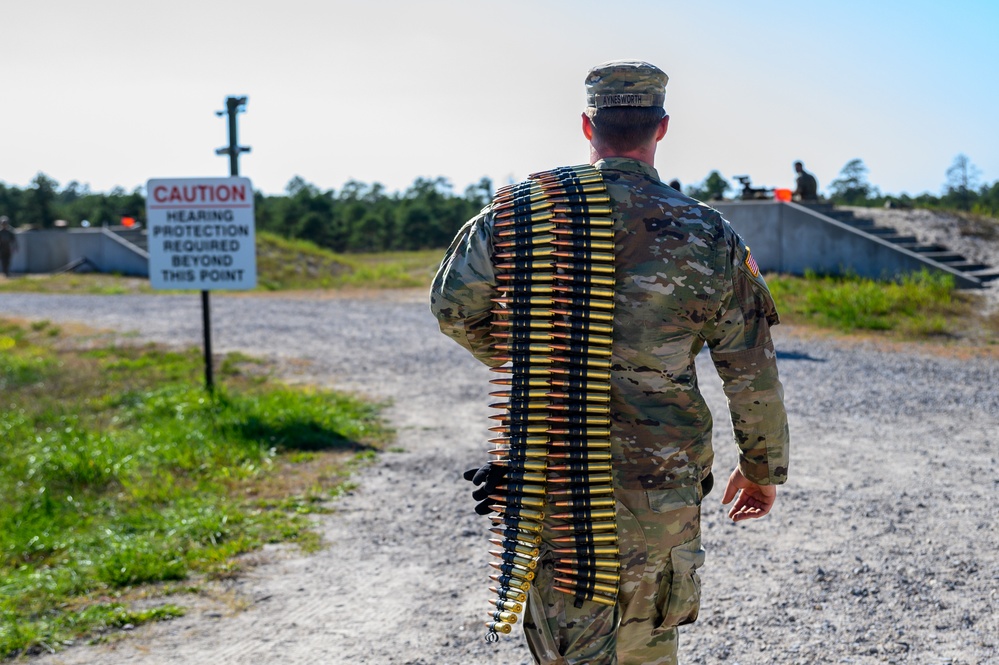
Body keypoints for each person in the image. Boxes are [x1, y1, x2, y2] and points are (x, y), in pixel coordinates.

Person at [430, 60, 790, 665]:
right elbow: (749, 366)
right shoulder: (707, 232)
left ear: (586, 125)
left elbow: (452, 307)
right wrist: (762, 467)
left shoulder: (521, 215)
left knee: (568, 647)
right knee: (647, 644)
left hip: (556, 469)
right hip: (663, 485)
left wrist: (536, 364)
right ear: (662, 127)